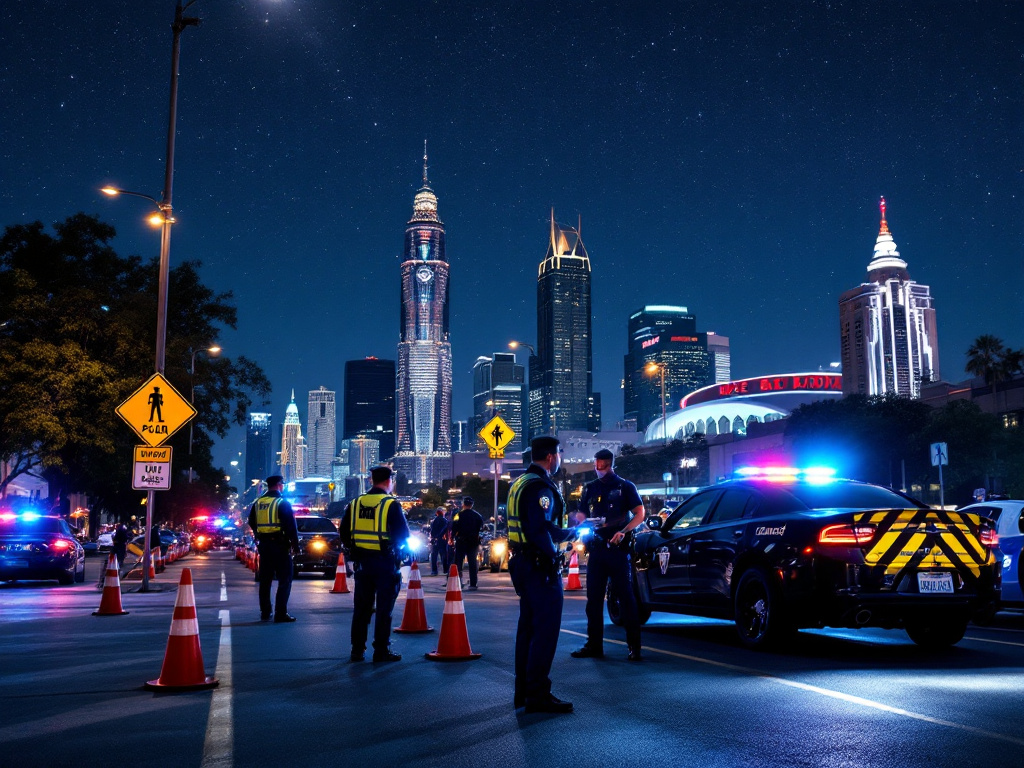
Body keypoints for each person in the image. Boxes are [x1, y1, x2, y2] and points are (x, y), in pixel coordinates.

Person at [506, 436, 577, 714]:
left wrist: (570, 532)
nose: (560, 458)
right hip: (539, 568)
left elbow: (539, 527)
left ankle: (523, 692)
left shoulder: (519, 483)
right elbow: (538, 530)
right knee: (544, 633)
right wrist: (555, 555)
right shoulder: (540, 487)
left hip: (524, 564)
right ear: (550, 456)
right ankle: (538, 695)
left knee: (528, 631)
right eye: (559, 453)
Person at [571, 449, 646, 661]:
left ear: (610, 465)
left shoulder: (625, 486)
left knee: (626, 598)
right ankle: (594, 645)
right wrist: (582, 520)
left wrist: (625, 531)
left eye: (601, 465)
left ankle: (634, 647)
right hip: (597, 548)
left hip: (618, 549)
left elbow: (640, 513)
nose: (597, 469)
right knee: (593, 600)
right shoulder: (590, 488)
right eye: (596, 465)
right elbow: (582, 512)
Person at [339, 466, 411, 662]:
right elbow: (403, 535)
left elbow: (344, 533)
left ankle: (357, 650)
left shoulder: (355, 503)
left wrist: (355, 549)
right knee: (384, 609)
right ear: (389, 482)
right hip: (385, 562)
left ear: (372, 481)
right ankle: (381, 650)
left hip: (362, 563)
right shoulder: (390, 504)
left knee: (361, 608)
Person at [247, 475, 300, 623]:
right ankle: (280, 613)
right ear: (278, 485)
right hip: (280, 546)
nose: (283, 486)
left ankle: (265, 612)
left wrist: (259, 535)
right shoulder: (282, 503)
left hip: (264, 546)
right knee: (285, 579)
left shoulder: (258, 503)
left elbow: (251, 522)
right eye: (282, 484)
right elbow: (291, 527)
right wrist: (295, 546)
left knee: (265, 581)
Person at [451, 496, 484, 589]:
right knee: (472, 563)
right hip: (473, 541)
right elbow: (481, 528)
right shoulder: (477, 515)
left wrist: (452, 538)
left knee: (458, 562)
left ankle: (458, 582)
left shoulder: (458, 515)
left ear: (463, 504)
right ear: (472, 505)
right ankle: (473, 584)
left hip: (461, 541)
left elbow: (454, 527)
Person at [429, 507, 450, 576]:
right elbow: (445, 530)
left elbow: (431, 530)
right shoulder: (445, 521)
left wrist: (433, 537)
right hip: (442, 540)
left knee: (434, 555)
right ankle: (445, 569)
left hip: (435, 540)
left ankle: (434, 570)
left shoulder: (434, 521)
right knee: (444, 554)